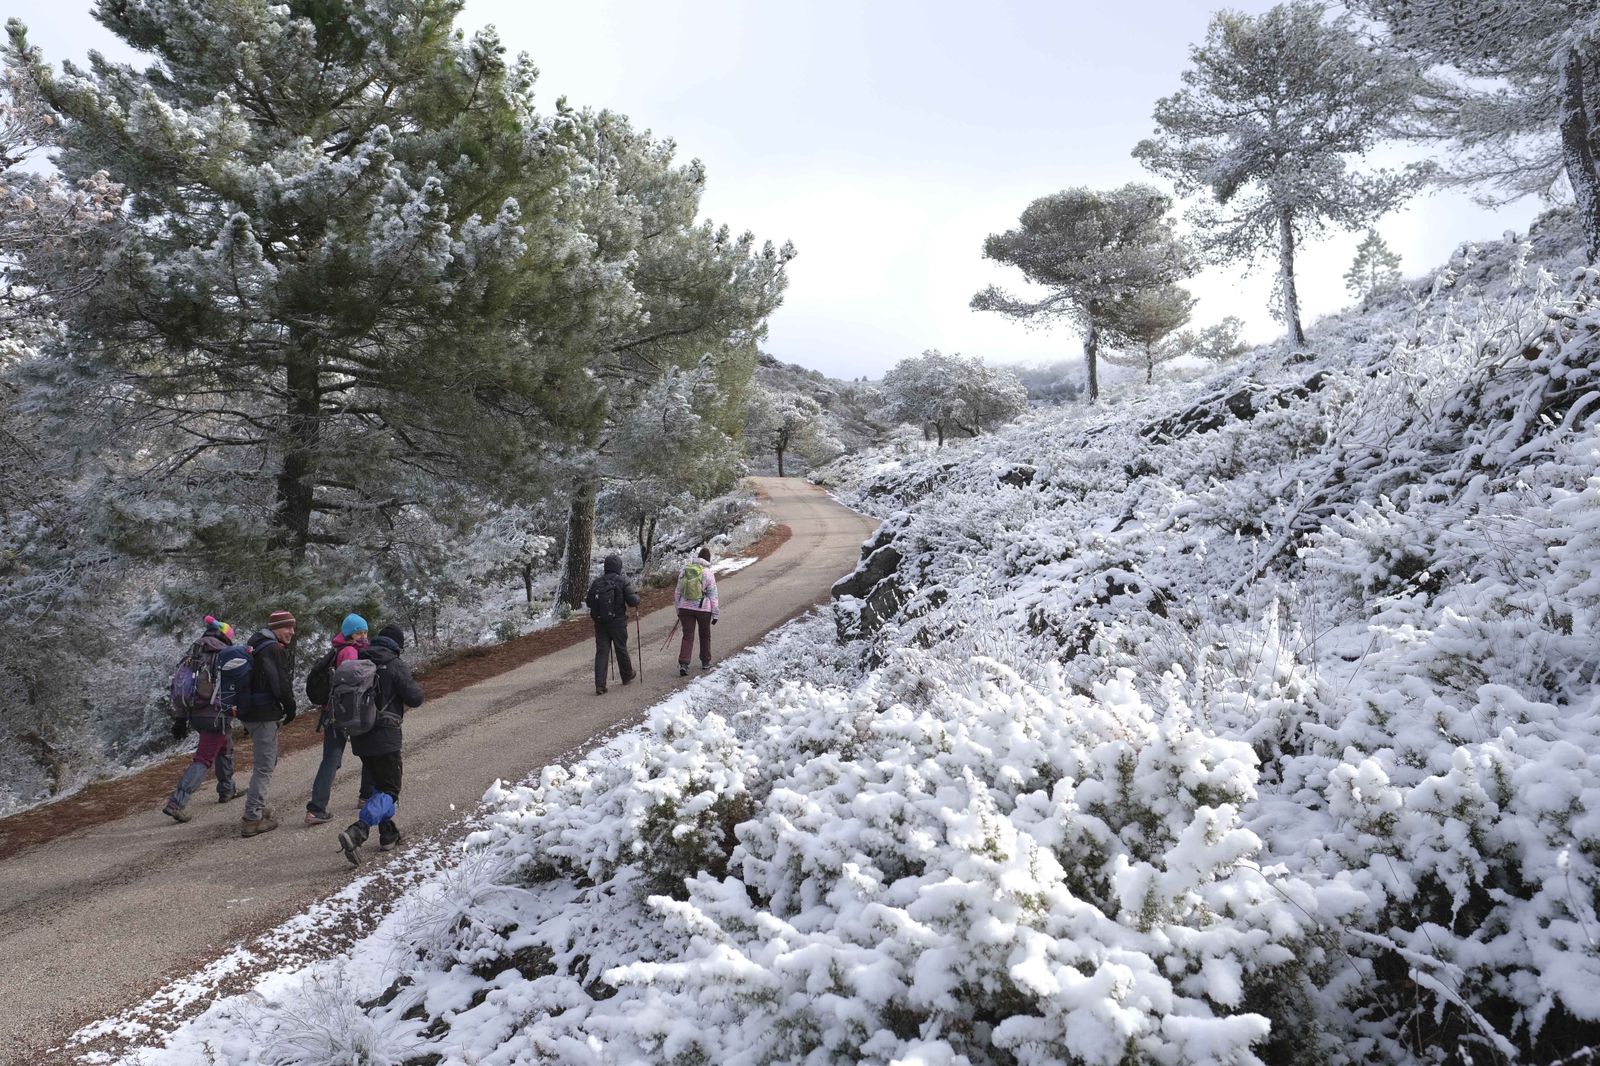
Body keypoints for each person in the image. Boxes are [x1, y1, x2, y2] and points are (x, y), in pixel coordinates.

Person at [338, 624, 423, 866]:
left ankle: (388, 833)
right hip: (385, 736)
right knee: (391, 790)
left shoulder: (360, 660)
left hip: (360, 735)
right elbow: (415, 697)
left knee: (379, 786)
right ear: (396, 644)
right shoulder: (394, 664)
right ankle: (358, 830)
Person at [161, 617, 242, 822]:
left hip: (194, 713)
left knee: (225, 746)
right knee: (204, 758)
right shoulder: (223, 655)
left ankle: (227, 789)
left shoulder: (193, 654)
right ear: (225, 637)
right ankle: (177, 802)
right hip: (215, 715)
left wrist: (180, 719)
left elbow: (180, 688)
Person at [304, 613, 372, 826]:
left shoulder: (336, 650)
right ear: (350, 633)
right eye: (359, 632)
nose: (363, 636)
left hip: (331, 712)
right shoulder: (350, 652)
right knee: (369, 753)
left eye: (365, 631)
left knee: (331, 760)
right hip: (347, 713)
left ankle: (316, 808)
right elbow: (354, 684)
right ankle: (366, 797)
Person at [238, 609, 297, 837]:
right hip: (263, 714)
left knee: (267, 762)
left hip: (251, 713)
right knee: (264, 767)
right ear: (274, 628)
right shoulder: (272, 649)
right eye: (286, 627)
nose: (291, 631)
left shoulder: (256, 643)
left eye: (292, 627)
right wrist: (290, 707)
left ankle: (258, 808)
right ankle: (252, 819)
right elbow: (279, 683)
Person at [585, 553, 640, 695]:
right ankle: (627, 675)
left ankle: (600, 685)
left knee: (602, 652)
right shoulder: (622, 581)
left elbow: (589, 602)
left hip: (600, 623)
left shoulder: (597, 582)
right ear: (618, 567)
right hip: (618, 622)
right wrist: (637, 597)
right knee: (621, 648)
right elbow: (632, 601)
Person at [675, 546, 720, 677]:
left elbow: (677, 591)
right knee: (705, 635)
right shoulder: (708, 573)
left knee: (687, 635)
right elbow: (713, 595)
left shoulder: (685, 570)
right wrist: (715, 614)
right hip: (703, 609)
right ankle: (705, 662)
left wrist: (678, 609)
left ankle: (684, 664)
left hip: (685, 607)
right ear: (708, 559)